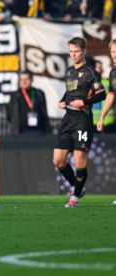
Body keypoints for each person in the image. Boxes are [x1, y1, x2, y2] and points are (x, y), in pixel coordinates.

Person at [53, 37, 105, 208]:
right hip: (68, 118)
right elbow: (70, 92)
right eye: (71, 51)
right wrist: (62, 101)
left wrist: (85, 102)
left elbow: (102, 94)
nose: (73, 54)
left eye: (76, 51)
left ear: (84, 52)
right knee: (58, 160)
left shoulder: (90, 72)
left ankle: (75, 198)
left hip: (83, 119)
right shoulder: (69, 71)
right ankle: (77, 187)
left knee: (79, 159)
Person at [7, 71, 51, 135]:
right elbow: (9, 114)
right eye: (21, 79)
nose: (24, 82)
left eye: (26, 79)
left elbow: (44, 112)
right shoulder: (15, 95)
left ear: (31, 79)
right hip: (21, 131)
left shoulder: (39, 93)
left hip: (38, 130)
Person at [98, 39, 116, 132]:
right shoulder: (113, 72)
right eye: (113, 51)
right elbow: (112, 94)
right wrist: (102, 117)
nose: (114, 55)